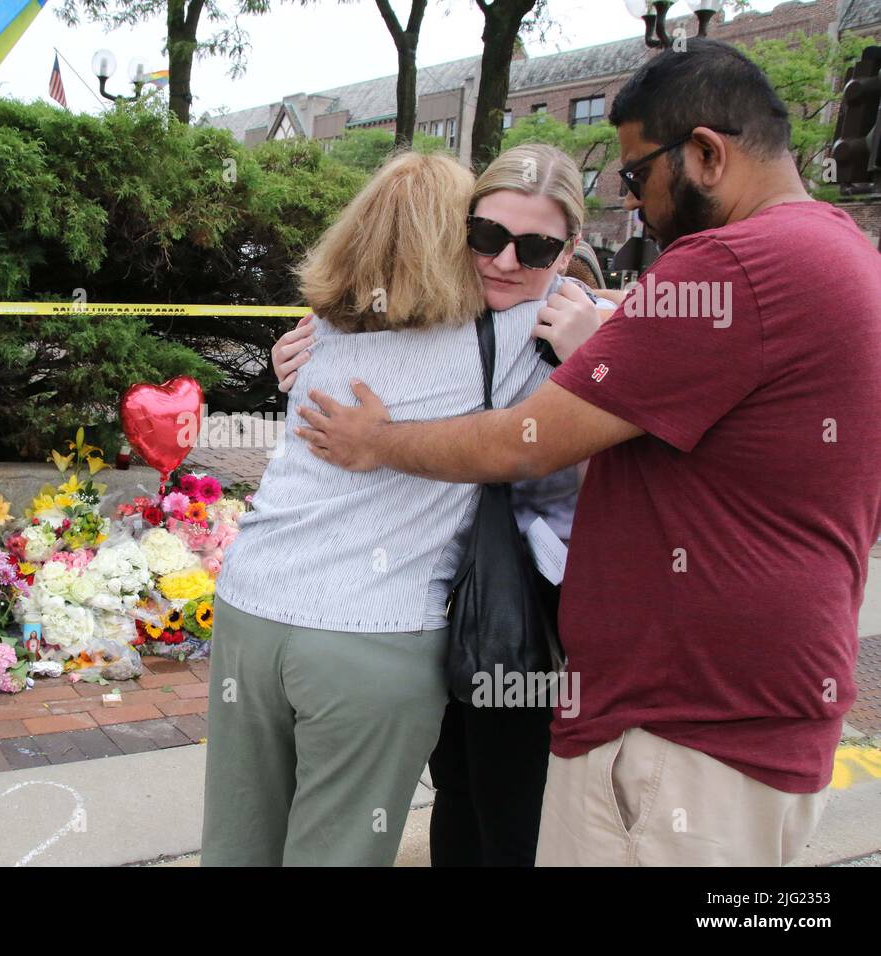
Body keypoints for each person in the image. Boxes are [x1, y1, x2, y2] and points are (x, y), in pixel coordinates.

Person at [288, 39, 881, 866]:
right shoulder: (836, 248)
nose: (636, 205)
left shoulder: (733, 266)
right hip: (726, 707)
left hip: (683, 726)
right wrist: (333, 346)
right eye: (486, 235)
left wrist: (375, 440)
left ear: (705, 153)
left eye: (638, 176)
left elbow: (527, 442)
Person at [201, 148, 568, 866]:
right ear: (455, 238)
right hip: (373, 635)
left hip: (249, 608)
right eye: (484, 236)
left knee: (238, 844)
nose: (500, 260)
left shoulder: (320, 330)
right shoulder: (514, 333)